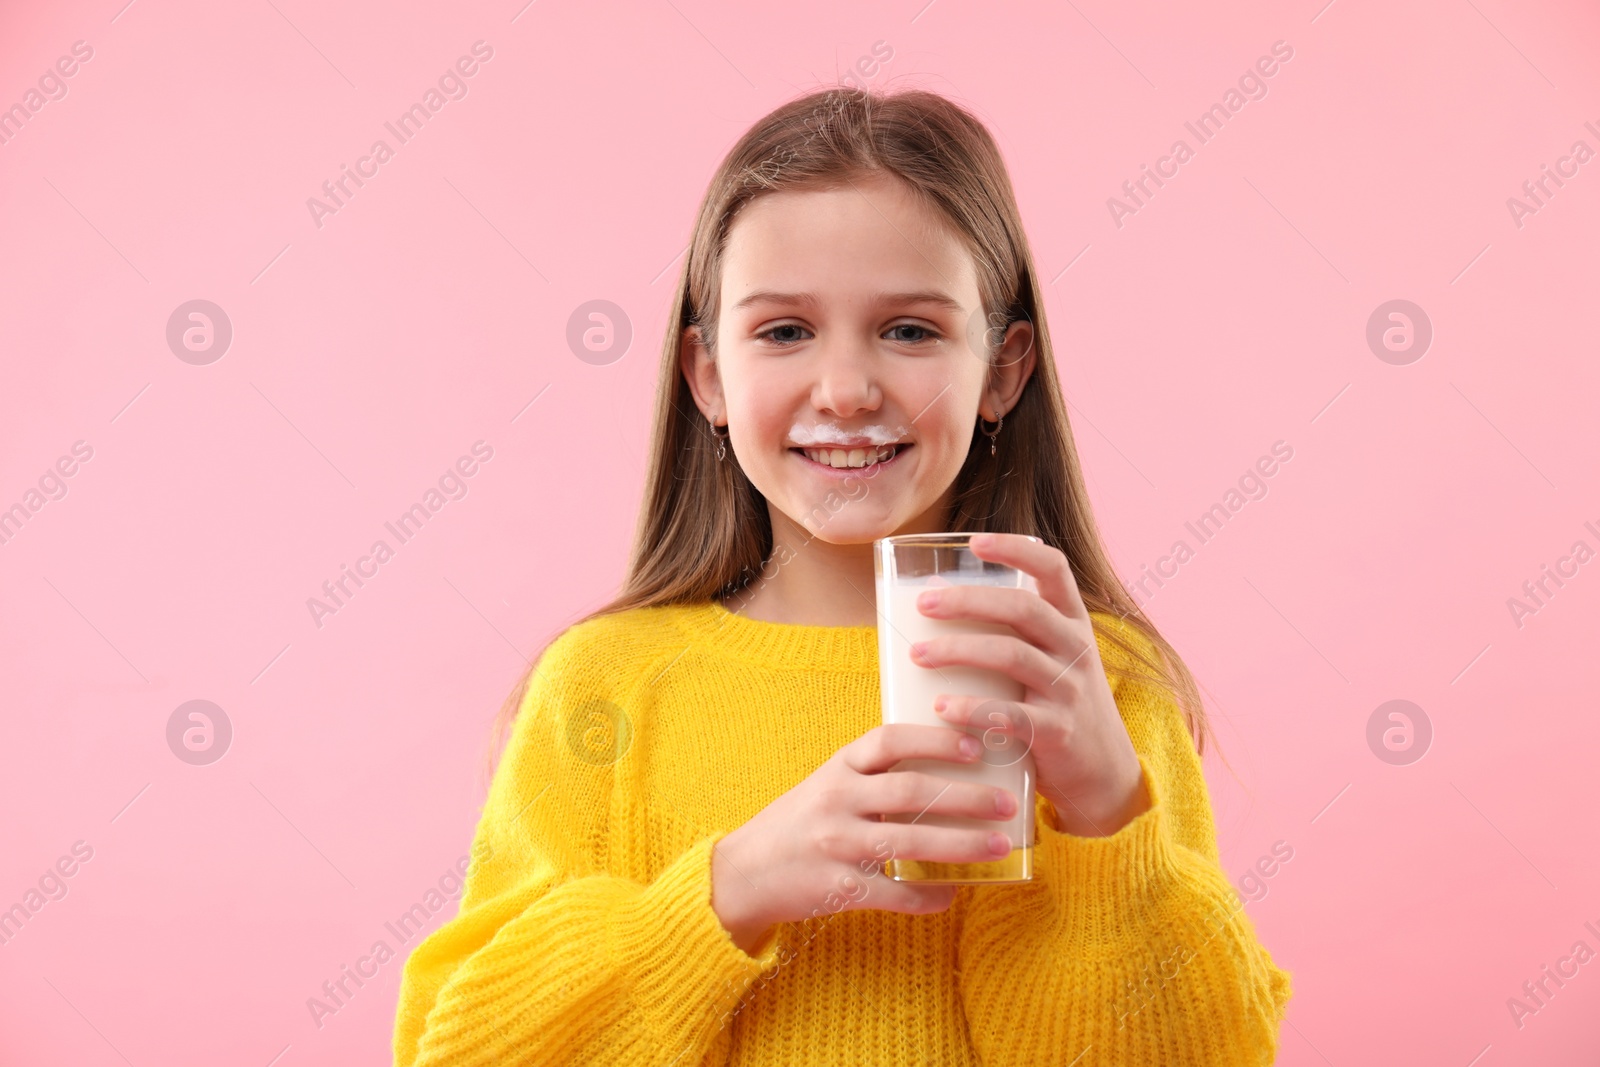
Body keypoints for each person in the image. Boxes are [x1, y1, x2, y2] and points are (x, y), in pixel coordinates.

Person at [392, 85, 1292, 1066]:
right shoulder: (604, 683)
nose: (848, 388)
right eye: (783, 331)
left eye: (909, 329)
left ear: (1003, 368)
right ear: (707, 378)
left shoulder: (1089, 681)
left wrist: (1107, 811)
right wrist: (730, 888)